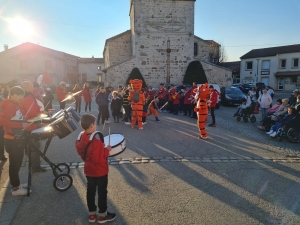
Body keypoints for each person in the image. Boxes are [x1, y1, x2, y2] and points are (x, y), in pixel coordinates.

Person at [75, 114, 116, 223]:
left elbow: (82, 153)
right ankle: (102, 215)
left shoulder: (80, 138)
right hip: (100, 171)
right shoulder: (96, 142)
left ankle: (92, 214)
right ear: (92, 125)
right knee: (102, 192)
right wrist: (107, 149)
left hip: (89, 170)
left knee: (90, 191)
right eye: (95, 123)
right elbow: (100, 159)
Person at [0, 86, 29, 196]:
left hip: (15, 138)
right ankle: (16, 188)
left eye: (21, 95)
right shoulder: (11, 105)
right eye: (18, 94)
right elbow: (2, 121)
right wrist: (21, 124)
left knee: (17, 163)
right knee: (15, 164)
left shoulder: (14, 105)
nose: (20, 97)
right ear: (11, 95)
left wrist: (23, 121)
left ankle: (17, 184)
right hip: (12, 140)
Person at [20, 81, 46, 173]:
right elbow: (32, 112)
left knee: (29, 147)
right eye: (31, 86)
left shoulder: (25, 96)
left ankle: (32, 164)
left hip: (27, 125)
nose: (33, 87)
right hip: (31, 125)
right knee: (34, 147)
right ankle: (35, 166)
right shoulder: (28, 97)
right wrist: (41, 114)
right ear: (26, 88)